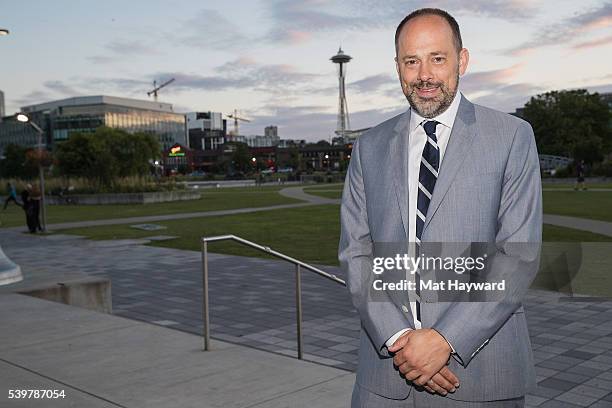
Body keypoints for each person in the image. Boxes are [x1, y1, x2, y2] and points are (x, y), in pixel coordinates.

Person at [339, 8, 541, 408]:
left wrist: (444, 339)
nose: (424, 75)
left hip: (480, 376)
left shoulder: (511, 137)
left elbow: (516, 256)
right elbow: (356, 252)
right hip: (384, 379)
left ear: (461, 60)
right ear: (398, 67)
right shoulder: (369, 147)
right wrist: (400, 341)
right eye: (411, 61)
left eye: (437, 58)